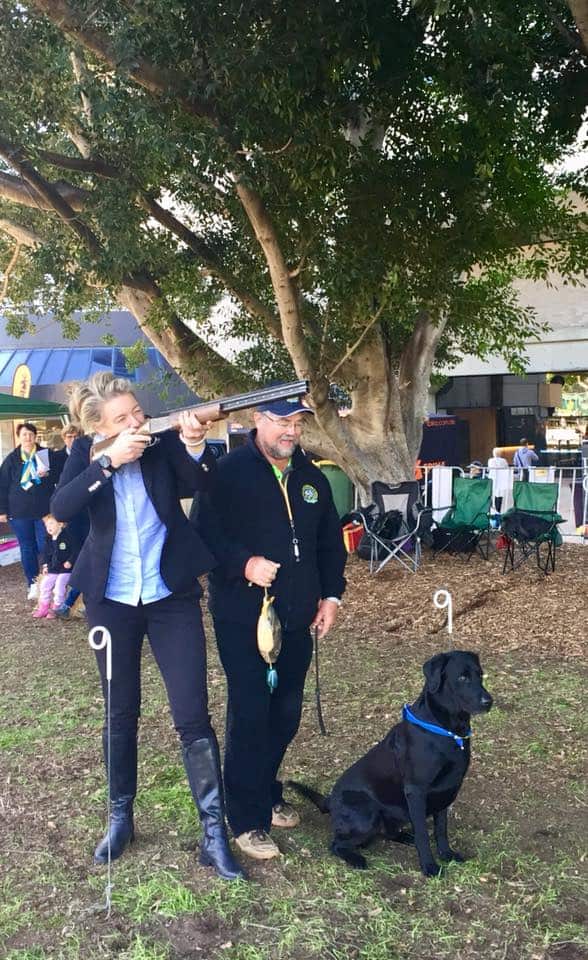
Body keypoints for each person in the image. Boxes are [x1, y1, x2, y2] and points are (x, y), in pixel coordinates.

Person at [51, 372, 245, 881]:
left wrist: (195, 441)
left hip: (169, 597)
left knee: (193, 715)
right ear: (99, 427)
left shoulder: (159, 445)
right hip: (111, 602)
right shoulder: (88, 454)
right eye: (123, 418)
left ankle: (213, 832)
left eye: (137, 412)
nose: (137, 421)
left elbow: (202, 482)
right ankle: (120, 819)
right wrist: (110, 462)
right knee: (120, 713)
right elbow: (61, 508)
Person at [196, 394, 347, 861]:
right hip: (243, 617)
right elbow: (203, 535)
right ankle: (244, 818)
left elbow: (329, 544)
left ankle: (264, 788)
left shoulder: (312, 477)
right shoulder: (226, 473)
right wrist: (244, 564)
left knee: (285, 714)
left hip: (299, 617)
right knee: (251, 713)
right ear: (257, 420)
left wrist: (332, 596)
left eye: (297, 423)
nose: (291, 431)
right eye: (282, 421)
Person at [0, 422, 60, 599]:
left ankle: (48, 579)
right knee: (27, 547)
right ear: (19, 436)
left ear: (35, 436)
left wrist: (47, 475)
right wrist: (2, 510)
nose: (28, 438)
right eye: (24, 434)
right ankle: (32, 583)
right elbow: (3, 485)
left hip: (43, 510)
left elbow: (59, 476)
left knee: (45, 545)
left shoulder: (44, 454)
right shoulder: (12, 458)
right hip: (19, 511)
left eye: (31, 435)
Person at [52, 424, 88, 620]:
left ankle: (71, 602)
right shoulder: (57, 458)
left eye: (76, 436)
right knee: (77, 558)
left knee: (86, 557)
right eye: (69, 436)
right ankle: (68, 602)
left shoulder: (89, 453)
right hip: (70, 515)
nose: (72, 439)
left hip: (89, 515)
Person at [32, 513, 79, 619]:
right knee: (45, 585)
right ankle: (43, 607)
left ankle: (57, 607)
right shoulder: (48, 539)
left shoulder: (68, 537)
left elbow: (76, 551)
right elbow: (45, 554)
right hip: (52, 568)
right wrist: (45, 566)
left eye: (51, 524)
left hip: (65, 569)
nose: (48, 527)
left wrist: (70, 561)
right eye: (46, 525)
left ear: (61, 524)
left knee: (59, 585)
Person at [487, 447, 510, 516]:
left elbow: (489, 469)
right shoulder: (504, 461)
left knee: (493, 494)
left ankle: (493, 511)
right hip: (502, 479)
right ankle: (499, 509)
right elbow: (507, 469)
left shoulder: (490, 460)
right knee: (500, 494)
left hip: (493, 479)